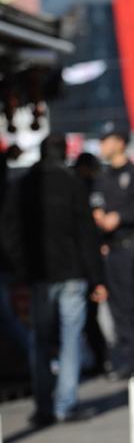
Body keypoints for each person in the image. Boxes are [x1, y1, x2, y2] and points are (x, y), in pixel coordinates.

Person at [1, 133, 108, 425]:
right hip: (71, 274)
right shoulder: (72, 186)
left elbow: (9, 232)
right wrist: (98, 278)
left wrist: (21, 268)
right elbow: (87, 235)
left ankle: (44, 405)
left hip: (39, 276)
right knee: (70, 338)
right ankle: (65, 404)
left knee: (41, 340)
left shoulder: (23, 186)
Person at [93, 122, 134, 381]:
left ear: (119, 142)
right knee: (118, 309)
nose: (102, 146)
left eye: (105, 140)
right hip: (112, 252)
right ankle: (128, 361)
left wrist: (119, 217)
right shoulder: (104, 177)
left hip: (132, 250)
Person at [72, 152, 111, 377]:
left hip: (89, 263)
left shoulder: (94, 188)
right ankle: (98, 358)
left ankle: (99, 359)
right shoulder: (76, 188)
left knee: (88, 318)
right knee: (84, 320)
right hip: (84, 262)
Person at [0, 143, 30, 360]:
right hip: (7, 260)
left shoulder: (6, 193)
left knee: (7, 317)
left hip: (5, 262)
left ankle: (36, 357)